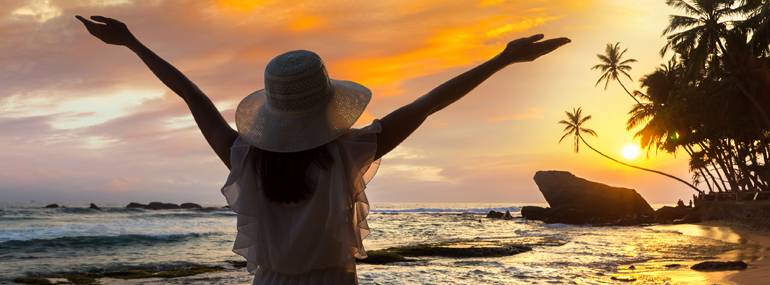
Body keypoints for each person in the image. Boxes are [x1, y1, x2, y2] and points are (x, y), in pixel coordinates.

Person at [76, 15, 570, 285]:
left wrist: (132, 42)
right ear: (328, 103)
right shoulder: (349, 152)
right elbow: (430, 103)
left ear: (272, 109)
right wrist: (502, 60)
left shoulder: (244, 156)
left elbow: (191, 96)